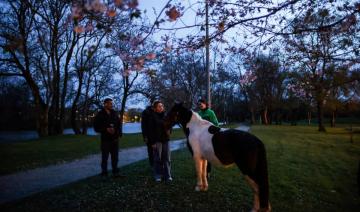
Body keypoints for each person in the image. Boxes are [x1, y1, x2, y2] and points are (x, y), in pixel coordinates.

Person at [94, 98, 124, 178]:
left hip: (114, 139)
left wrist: (117, 132)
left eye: (111, 103)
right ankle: (104, 173)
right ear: (105, 104)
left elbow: (118, 124)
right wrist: (106, 129)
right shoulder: (100, 114)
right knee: (105, 158)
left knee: (115, 157)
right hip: (105, 140)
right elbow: (96, 128)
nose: (111, 105)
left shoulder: (114, 113)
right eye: (110, 103)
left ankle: (115, 172)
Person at [147, 100, 172, 182]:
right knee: (158, 159)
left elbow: (169, 126)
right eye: (159, 106)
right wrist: (152, 142)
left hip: (166, 140)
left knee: (167, 158)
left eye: (162, 106)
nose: (161, 107)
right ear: (155, 108)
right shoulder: (152, 117)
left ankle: (167, 175)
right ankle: (158, 175)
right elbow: (150, 131)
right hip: (157, 141)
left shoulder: (166, 116)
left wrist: (169, 131)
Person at [197, 98, 219, 179]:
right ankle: (201, 171)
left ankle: (208, 172)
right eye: (199, 104)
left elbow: (216, 124)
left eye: (201, 103)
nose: (200, 105)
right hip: (200, 137)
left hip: (209, 136)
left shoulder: (210, 112)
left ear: (205, 104)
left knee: (207, 155)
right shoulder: (198, 113)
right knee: (200, 155)